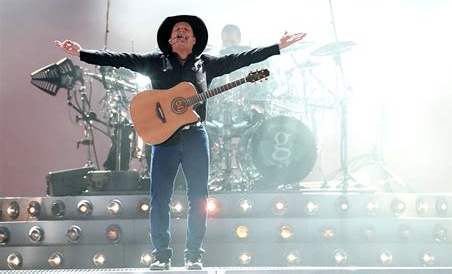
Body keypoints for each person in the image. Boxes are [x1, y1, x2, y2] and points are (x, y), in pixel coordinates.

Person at [55, 14, 305, 270]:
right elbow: (120, 60)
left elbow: (242, 59)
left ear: (195, 39)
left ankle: (194, 254)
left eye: (186, 29)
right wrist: (82, 53)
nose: (181, 32)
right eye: (176, 30)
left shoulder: (206, 64)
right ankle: (161, 255)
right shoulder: (155, 62)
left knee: (199, 197)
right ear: (170, 39)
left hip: (196, 135)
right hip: (164, 140)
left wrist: (277, 47)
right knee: (159, 198)